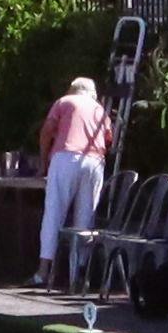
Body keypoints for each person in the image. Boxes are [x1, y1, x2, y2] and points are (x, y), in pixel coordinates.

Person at [34, 68, 116, 283]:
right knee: (85, 218)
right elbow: (109, 141)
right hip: (95, 161)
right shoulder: (100, 109)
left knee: (54, 212)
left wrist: (43, 163)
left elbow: (47, 131)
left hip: (66, 157)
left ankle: (44, 271)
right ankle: (78, 273)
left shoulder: (64, 102)